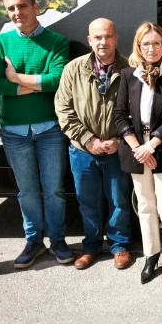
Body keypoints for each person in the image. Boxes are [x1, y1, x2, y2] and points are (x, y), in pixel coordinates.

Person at [0, 0, 73, 269]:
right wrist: (30, 86)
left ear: (35, 7)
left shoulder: (57, 42)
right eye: (11, 8)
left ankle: (57, 240)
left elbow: (56, 80)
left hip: (50, 130)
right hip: (14, 132)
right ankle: (34, 241)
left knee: (54, 190)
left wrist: (15, 77)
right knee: (27, 192)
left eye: (22, 6)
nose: (16, 13)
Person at [54, 18, 133, 271]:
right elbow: (64, 109)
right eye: (97, 37)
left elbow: (139, 110)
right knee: (87, 201)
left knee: (118, 200)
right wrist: (89, 140)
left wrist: (119, 140)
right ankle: (91, 246)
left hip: (117, 149)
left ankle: (119, 246)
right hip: (82, 150)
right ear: (89, 40)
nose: (103, 42)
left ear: (116, 38)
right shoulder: (73, 69)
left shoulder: (129, 68)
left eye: (108, 36)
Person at [114, 22, 162, 284]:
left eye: (157, 43)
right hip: (136, 147)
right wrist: (138, 147)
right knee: (145, 205)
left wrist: (151, 145)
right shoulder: (127, 75)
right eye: (146, 43)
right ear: (139, 46)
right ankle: (151, 254)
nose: (152, 48)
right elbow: (119, 116)